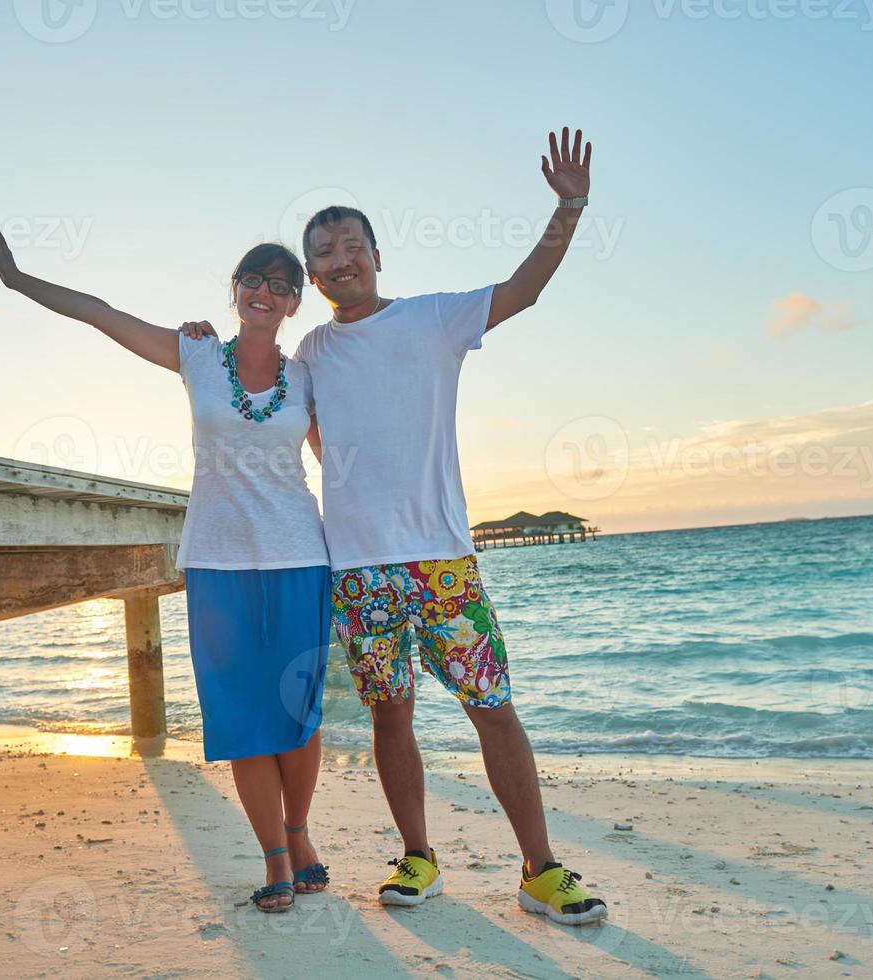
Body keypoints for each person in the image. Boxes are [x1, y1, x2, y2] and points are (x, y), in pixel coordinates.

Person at [185, 128, 606, 925]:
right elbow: (273, 400)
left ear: (375, 255)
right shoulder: (309, 348)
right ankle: (417, 855)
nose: (340, 259)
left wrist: (570, 207)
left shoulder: (435, 320)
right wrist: (208, 334)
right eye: (324, 253)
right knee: (390, 714)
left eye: (351, 246)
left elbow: (525, 289)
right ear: (310, 276)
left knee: (492, 709)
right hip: (356, 569)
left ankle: (540, 868)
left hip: (442, 558)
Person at [0, 229, 331, 913]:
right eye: (253, 279)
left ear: (294, 303)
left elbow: (334, 460)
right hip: (217, 563)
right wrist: (19, 281)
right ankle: (275, 859)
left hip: (299, 559)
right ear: (235, 292)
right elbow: (101, 313)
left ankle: (300, 831)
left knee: (299, 712)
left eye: (282, 285)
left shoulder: (307, 374)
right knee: (242, 716)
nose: (265, 292)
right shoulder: (196, 353)